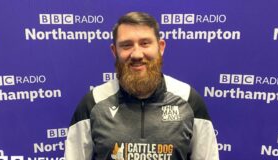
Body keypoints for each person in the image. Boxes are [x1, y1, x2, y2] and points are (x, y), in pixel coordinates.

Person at [64, 12, 219, 160]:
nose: (137, 54)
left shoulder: (189, 100)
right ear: (114, 51)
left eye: (145, 43)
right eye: (126, 45)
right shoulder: (92, 103)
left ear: (161, 47)